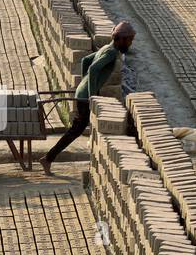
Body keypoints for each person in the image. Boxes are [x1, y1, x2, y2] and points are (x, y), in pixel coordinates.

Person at [40, 21, 135, 175]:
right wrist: (92, 95)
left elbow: (86, 61)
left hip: (82, 93)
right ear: (121, 39)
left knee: (84, 128)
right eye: (129, 40)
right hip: (85, 96)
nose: (130, 44)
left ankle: (52, 158)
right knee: (77, 130)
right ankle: (48, 158)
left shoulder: (107, 47)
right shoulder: (111, 53)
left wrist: (86, 84)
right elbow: (93, 68)